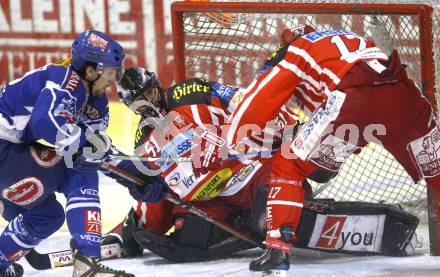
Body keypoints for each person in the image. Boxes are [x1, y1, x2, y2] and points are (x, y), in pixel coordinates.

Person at [220, 24, 440, 275]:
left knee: (288, 165)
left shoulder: (298, 49)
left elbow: (259, 101)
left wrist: (232, 138)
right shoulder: (356, 38)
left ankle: (277, 249)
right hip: (404, 95)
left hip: (352, 103)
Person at [102, 66, 301, 262]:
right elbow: (157, 192)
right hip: (211, 199)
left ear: (156, 85)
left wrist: (226, 137)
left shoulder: (191, 92)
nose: (150, 104)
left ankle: (265, 218)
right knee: (188, 234)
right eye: (141, 103)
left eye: (150, 93)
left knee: (272, 202)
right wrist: (130, 231)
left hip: (252, 172)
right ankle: (241, 227)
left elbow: (248, 103)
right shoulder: (144, 140)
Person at [0, 30, 134, 277]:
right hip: (4, 149)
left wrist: (134, 175)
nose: (114, 80)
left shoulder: (95, 100)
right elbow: (45, 122)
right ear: (91, 70)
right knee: (79, 173)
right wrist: (84, 146)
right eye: (111, 72)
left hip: (10, 153)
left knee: (46, 217)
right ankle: (87, 263)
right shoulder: (66, 79)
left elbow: (97, 148)